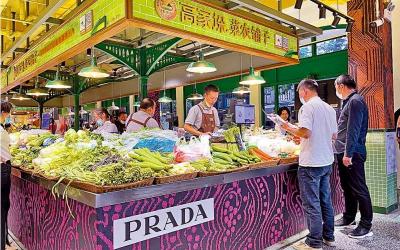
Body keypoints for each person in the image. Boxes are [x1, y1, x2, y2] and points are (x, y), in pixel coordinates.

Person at [281, 79, 338, 250]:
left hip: (311, 163)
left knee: (312, 203)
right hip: (326, 161)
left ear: (305, 91)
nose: (300, 97)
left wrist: (287, 127)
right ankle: (329, 237)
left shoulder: (307, 107)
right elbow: (333, 135)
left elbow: (305, 132)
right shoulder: (329, 108)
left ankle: (314, 242)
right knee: (325, 201)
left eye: (299, 94)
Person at [334, 74, 373, 239]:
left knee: (358, 188)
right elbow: (344, 129)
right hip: (344, 152)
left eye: (336, 87)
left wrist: (348, 153)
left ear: (341, 86)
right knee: (347, 187)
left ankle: (365, 225)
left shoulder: (355, 101)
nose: (336, 90)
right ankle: (349, 217)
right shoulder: (349, 102)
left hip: (352, 153)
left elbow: (353, 130)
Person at [1, 101, 13, 250]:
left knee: (4, 205)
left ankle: (4, 240)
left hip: (4, 169)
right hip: (2, 170)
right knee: (2, 206)